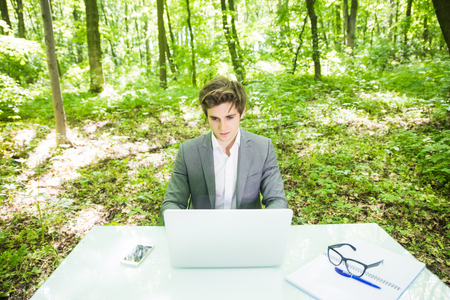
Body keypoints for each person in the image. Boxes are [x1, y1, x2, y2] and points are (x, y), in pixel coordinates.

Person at [160, 77, 288, 222]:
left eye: (229, 117)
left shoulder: (262, 148)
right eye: (215, 118)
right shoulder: (189, 151)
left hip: (248, 232)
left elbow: (277, 201)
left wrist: (263, 225)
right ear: (206, 116)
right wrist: (184, 226)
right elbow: (172, 204)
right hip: (202, 234)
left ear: (242, 113)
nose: (222, 127)